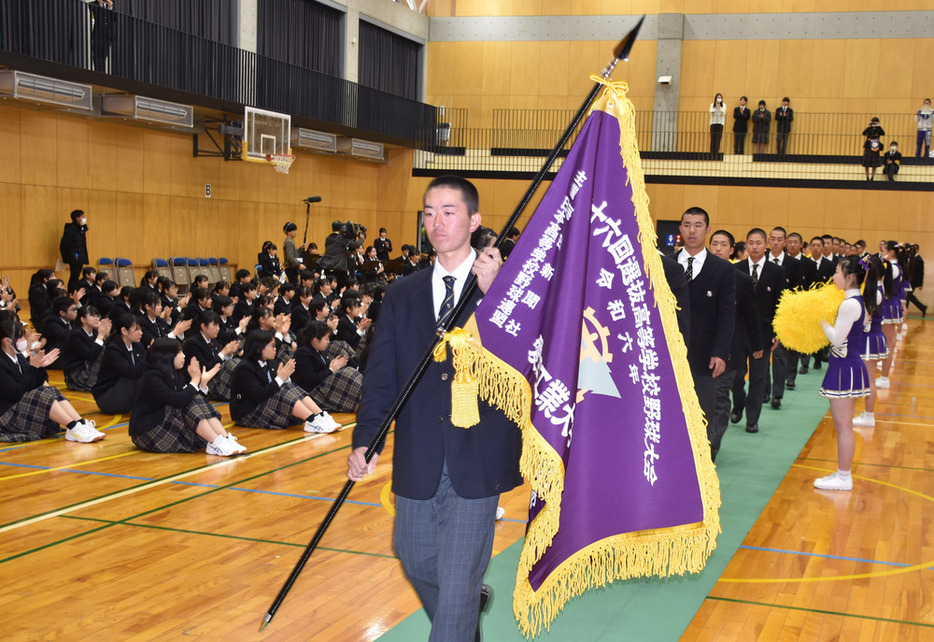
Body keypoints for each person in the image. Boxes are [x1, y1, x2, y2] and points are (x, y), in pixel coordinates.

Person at [348, 175, 518, 642]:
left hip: (477, 455)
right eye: (428, 212)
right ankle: (465, 609)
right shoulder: (402, 294)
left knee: (459, 574)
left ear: (474, 220)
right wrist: (368, 438)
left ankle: (461, 607)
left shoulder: (504, 291)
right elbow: (382, 374)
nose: (436, 222)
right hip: (419, 452)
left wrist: (497, 296)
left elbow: (524, 363)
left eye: (448, 211)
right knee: (416, 556)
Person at [675, 207, 735, 461]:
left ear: (707, 230)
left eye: (698, 225)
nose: (692, 230)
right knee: (671, 410)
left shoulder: (722, 269)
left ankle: (702, 465)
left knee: (702, 412)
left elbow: (727, 316)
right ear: (680, 229)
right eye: (687, 224)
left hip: (705, 357)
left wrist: (721, 352)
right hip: (670, 355)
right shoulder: (665, 265)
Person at [814, 256, 874, 491]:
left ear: (850, 277)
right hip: (846, 365)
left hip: (845, 367)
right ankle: (842, 474)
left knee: (843, 426)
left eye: (837, 272)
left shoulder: (850, 304)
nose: (833, 276)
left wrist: (819, 320)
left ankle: (843, 476)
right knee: (842, 426)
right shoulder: (858, 301)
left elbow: (837, 339)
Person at [0, 312, 105, 443]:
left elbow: (34, 383)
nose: (24, 340)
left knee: (51, 390)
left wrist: (41, 367)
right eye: (20, 337)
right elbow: (16, 391)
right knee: (42, 393)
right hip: (7, 415)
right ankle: (73, 428)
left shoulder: (19, 357)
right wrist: (33, 368)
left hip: (21, 406)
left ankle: (80, 424)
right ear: (7, 341)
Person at [130, 338, 245, 457]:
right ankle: (215, 442)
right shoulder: (152, 377)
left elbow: (192, 398)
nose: (184, 355)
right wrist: (195, 380)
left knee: (193, 397)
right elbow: (179, 401)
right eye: (179, 352)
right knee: (188, 400)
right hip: (149, 431)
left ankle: (223, 438)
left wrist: (203, 383)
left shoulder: (174, 373)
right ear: (167, 356)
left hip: (167, 422)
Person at [229, 330, 341, 433]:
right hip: (248, 411)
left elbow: (278, 386)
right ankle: (312, 420)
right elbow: (259, 395)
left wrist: (286, 378)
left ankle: (319, 415)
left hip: (265, 402)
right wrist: (280, 378)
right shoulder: (245, 368)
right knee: (284, 390)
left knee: (290, 386)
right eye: (271, 346)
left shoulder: (271, 363)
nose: (275, 349)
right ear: (258, 348)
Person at [732, 228, 786, 433]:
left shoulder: (777, 272)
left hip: (763, 334)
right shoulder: (736, 269)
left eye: (758, 243)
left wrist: (778, 333)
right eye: (751, 243)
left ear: (766, 245)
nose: (754, 247)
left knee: (758, 378)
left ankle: (752, 419)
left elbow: (781, 305)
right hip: (738, 333)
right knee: (736, 375)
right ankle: (738, 403)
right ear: (746, 244)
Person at [293, 321, 363, 413]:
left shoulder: (318, 350)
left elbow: (323, 370)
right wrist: (331, 369)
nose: (328, 342)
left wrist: (333, 365)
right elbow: (310, 379)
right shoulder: (302, 353)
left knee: (348, 370)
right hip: (314, 392)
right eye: (326, 339)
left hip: (323, 385)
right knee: (346, 374)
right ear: (316, 340)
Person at [853, 256, 887, 428]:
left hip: (870, 338)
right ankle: (867, 414)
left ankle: (869, 416)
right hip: (870, 337)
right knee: (868, 380)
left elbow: (865, 320)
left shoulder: (874, 292)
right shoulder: (874, 289)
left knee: (870, 381)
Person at [92, 314, 146, 414]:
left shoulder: (138, 346)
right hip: (108, 397)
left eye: (141, 329)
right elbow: (131, 372)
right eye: (137, 330)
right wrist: (149, 357)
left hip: (124, 393)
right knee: (137, 376)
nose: (141, 333)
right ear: (124, 331)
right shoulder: (113, 349)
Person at [60, 306, 111, 392]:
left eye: (98, 316)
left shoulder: (95, 332)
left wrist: (106, 336)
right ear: (83, 319)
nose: (96, 318)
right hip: (77, 373)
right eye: (92, 315)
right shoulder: (75, 335)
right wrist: (101, 336)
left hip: (91, 370)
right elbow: (91, 356)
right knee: (101, 351)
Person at [877, 242, 902, 389]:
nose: (882, 252)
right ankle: (884, 374)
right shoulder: (892, 266)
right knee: (887, 343)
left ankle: (885, 378)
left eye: (884, 250)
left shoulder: (891, 267)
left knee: (888, 344)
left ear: (891, 252)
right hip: (888, 304)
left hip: (889, 305)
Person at [59, 209, 89, 294]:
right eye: (82, 216)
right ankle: (72, 294)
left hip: (80, 256)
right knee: (74, 277)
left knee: (76, 277)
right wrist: (65, 258)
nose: (84, 218)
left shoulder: (81, 229)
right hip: (74, 257)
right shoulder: (71, 229)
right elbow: (64, 244)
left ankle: (76, 294)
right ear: (77, 218)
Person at [905, 244, 926, 316]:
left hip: (913, 282)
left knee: (908, 297)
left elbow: (921, 273)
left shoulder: (919, 259)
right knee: (909, 296)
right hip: (909, 280)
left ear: (917, 250)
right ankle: (922, 307)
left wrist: (920, 284)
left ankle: (905, 313)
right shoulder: (911, 258)